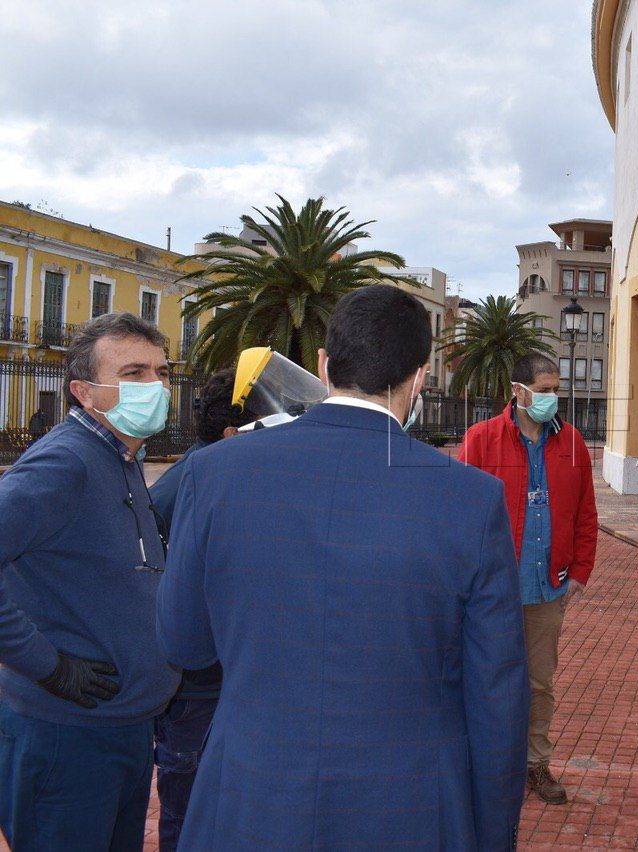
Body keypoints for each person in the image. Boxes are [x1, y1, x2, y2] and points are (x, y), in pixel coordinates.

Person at [157, 285, 530, 850]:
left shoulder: (214, 474)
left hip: (251, 798)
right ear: (421, 377)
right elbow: (497, 694)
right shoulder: (471, 500)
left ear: (325, 365)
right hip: (407, 808)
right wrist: (494, 828)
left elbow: (184, 642)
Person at [0, 313, 180, 850]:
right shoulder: (63, 464)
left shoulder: (120, 458)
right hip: (67, 737)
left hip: (121, 728)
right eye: (133, 373)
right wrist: (45, 664)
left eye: (162, 372)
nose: (155, 387)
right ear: (85, 392)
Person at [458, 352, 598, 805]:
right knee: (490, 678)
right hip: (493, 593)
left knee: (540, 683)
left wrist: (579, 572)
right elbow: (459, 515)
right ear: (517, 392)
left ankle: (536, 763)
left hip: (547, 590)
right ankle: (491, 764)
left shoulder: (573, 443)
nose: (551, 399)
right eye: (543, 390)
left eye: (556, 390)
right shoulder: (481, 440)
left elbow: (586, 514)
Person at [148, 368, 256, 851]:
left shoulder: (228, 480)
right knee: (187, 813)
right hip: (192, 691)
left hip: (224, 681)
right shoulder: (178, 492)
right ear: (233, 435)